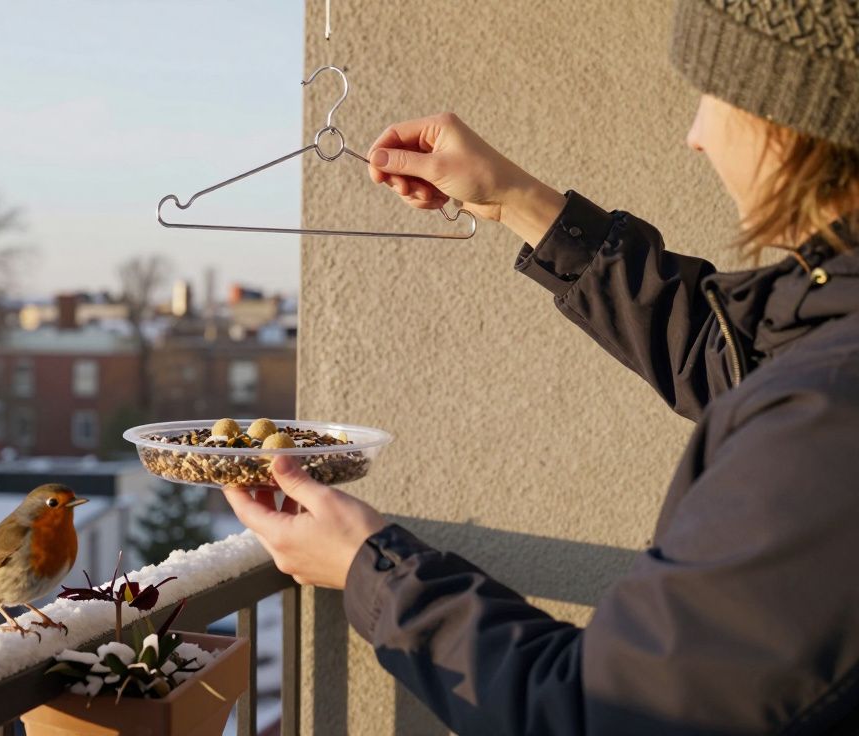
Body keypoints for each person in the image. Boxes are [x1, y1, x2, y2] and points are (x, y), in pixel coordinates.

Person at [223, 1, 859, 733]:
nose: (695, 137)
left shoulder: (833, 419)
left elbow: (597, 715)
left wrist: (370, 568)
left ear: (795, 119)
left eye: (715, 96)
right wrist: (523, 204)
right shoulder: (830, 320)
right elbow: (732, 357)